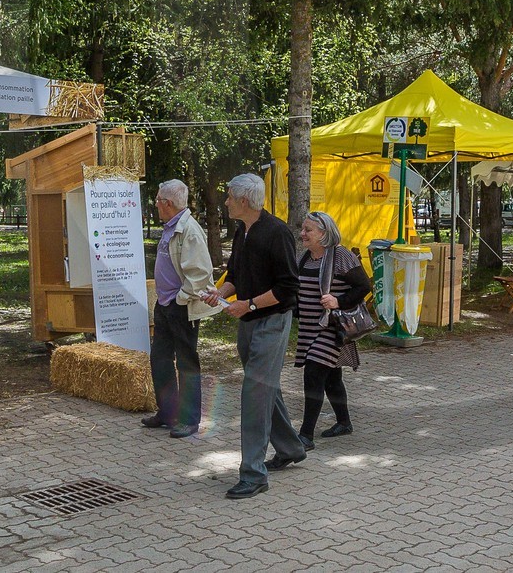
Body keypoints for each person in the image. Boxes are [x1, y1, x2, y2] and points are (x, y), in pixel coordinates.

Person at [201, 173, 304, 499]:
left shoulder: (278, 233)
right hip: (248, 322)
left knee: (254, 394)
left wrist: (250, 304)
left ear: (244, 200)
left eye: (230, 196)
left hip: (272, 322)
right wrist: (218, 292)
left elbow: (289, 287)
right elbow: (237, 274)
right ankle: (290, 448)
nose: (226, 201)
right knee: (264, 389)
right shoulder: (242, 230)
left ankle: (253, 474)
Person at [144, 179, 219, 439]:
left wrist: (181, 298)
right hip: (165, 304)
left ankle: (189, 420)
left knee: (187, 363)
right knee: (160, 358)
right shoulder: (171, 226)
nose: (155, 204)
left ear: (168, 204)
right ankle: (167, 413)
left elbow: (200, 273)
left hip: (181, 306)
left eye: (157, 200)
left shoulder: (189, 229)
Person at [293, 210, 372, 449]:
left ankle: (305, 436)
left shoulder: (341, 256)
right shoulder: (306, 257)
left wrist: (338, 301)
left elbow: (363, 286)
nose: (302, 234)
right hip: (309, 328)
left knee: (314, 374)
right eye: (303, 229)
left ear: (324, 233)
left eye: (308, 230)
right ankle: (344, 422)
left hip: (332, 328)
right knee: (332, 379)